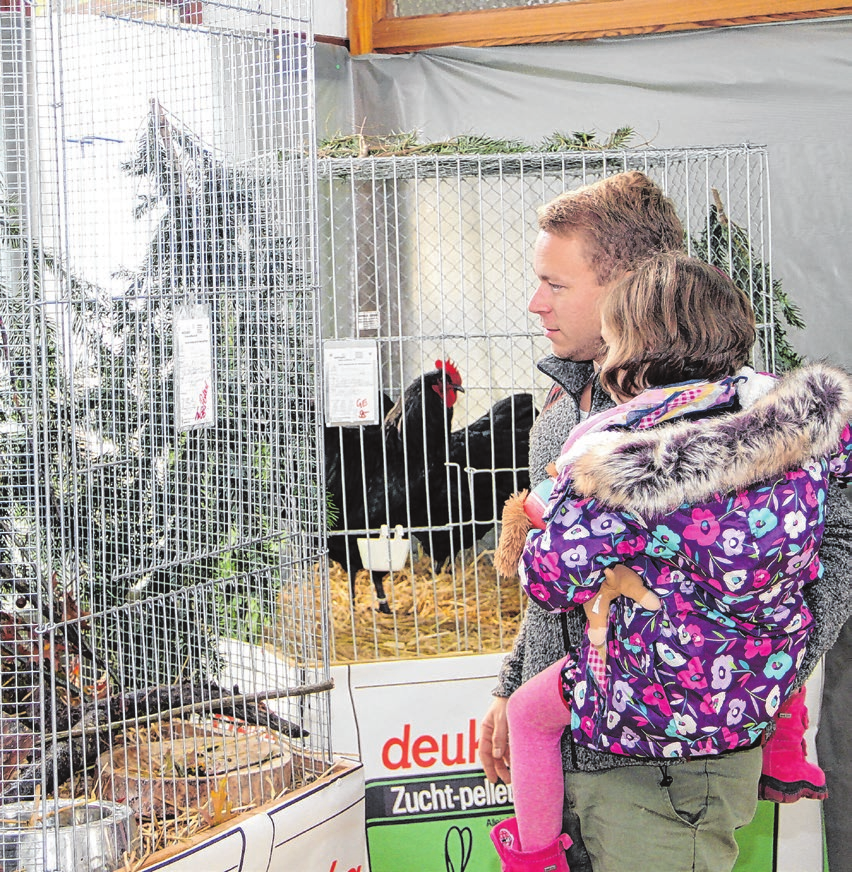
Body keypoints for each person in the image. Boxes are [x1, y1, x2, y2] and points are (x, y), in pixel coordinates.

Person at [479, 171, 852, 872]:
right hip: (575, 743)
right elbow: (558, 588)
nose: (534, 303)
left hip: (671, 766)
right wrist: (511, 684)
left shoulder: (759, 425)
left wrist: (754, 671)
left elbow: (839, 539)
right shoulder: (561, 417)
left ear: (629, 288)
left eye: (555, 284)